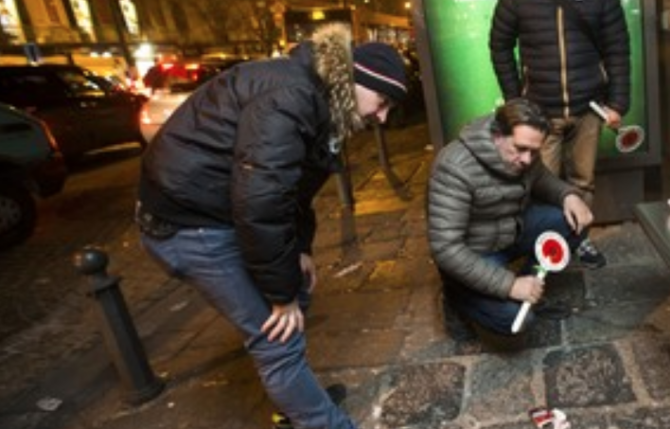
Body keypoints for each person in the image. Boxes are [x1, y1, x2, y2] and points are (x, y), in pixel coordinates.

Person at [134, 24, 407, 429]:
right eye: (382, 102)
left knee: (296, 293)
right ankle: (318, 420)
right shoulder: (292, 96)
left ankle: (297, 404)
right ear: (354, 80)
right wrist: (280, 296)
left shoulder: (321, 97)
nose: (381, 117)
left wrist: (301, 249)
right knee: (277, 338)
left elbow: (291, 189)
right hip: (188, 224)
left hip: (218, 210)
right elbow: (260, 201)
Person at [427, 99, 594, 340]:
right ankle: (456, 297)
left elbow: (541, 178)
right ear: (497, 135)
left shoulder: (526, 150)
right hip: (475, 252)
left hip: (512, 229)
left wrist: (569, 196)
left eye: (534, 152)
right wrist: (509, 286)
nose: (527, 159)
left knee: (575, 221)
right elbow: (445, 248)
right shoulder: (454, 167)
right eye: (520, 149)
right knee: (517, 320)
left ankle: (531, 287)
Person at [489, 0, 631, 269]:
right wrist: (515, 101)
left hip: (590, 107)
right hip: (540, 112)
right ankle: (544, 245)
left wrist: (617, 102)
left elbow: (617, 47)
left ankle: (578, 239)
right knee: (540, 186)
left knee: (583, 181)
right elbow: (500, 45)